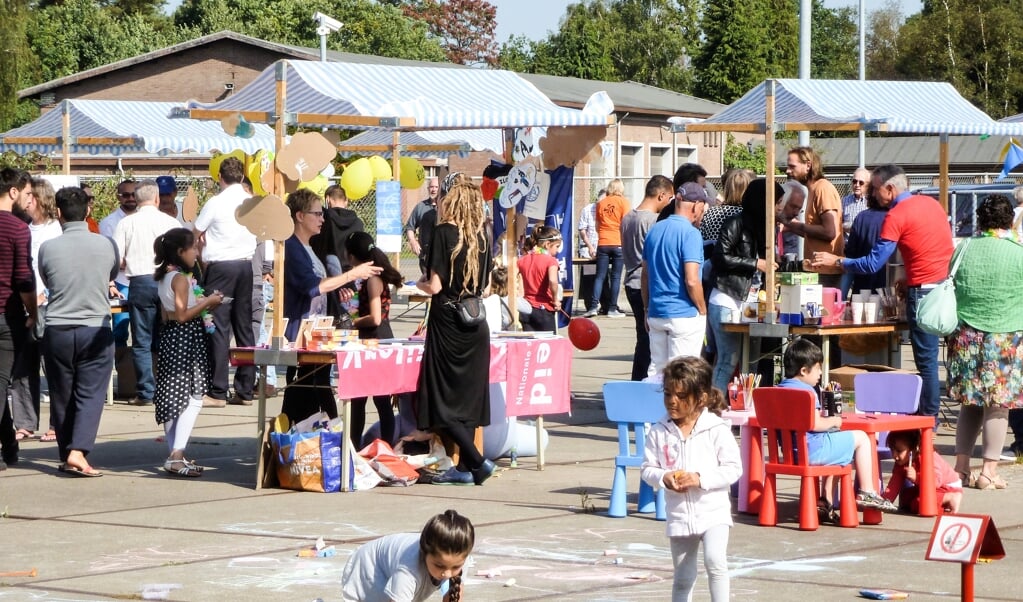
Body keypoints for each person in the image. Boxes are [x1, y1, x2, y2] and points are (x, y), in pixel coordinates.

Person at [811, 164, 954, 424]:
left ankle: (927, 421)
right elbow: (937, 248)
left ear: (890, 189)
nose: (871, 195)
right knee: (930, 360)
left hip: (922, 294)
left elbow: (871, 264)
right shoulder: (931, 205)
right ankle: (927, 418)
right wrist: (909, 276)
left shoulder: (896, 215)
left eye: (875, 189)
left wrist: (838, 261)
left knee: (926, 364)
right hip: (941, 289)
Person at [641, 356, 740, 602]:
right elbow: (647, 468)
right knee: (683, 576)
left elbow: (733, 469)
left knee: (715, 562)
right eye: (667, 394)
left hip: (713, 511)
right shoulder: (658, 430)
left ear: (701, 398)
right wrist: (664, 477)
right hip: (679, 516)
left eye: (681, 396)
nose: (672, 401)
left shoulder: (716, 428)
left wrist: (700, 478)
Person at [415, 182, 495, 486]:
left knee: (439, 400)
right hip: (474, 324)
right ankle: (464, 468)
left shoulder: (444, 232)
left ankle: (476, 461)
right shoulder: (482, 237)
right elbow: (485, 288)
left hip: (447, 322)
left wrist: (417, 285)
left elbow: (434, 287)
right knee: (468, 401)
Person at [280, 190, 381, 425]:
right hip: (301, 333)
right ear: (300, 216)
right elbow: (312, 287)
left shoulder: (308, 247)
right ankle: (324, 436)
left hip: (316, 332)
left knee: (318, 388)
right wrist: (351, 274)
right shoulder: (293, 248)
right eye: (317, 213)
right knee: (305, 393)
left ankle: (331, 435)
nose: (322, 218)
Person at [39, 186, 118, 477]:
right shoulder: (106, 244)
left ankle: (67, 452)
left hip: (57, 328)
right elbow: (110, 275)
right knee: (91, 394)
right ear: (88, 211)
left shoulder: (48, 248)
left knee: (62, 394)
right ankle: (78, 451)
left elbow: (46, 278)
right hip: (95, 327)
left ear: (58, 213)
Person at [945, 195, 1023, 491]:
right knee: (998, 406)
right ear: (1008, 220)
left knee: (970, 404)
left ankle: (962, 468)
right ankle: (989, 472)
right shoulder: (1018, 252)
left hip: (966, 336)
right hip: (1005, 338)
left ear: (980, 219)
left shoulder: (964, 248)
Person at [777, 338, 897, 513]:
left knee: (838, 446)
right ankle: (867, 491)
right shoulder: (807, 392)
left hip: (791, 454)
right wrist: (835, 420)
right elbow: (816, 423)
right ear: (804, 370)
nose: (820, 374)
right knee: (862, 438)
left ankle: (826, 500)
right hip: (814, 451)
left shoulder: (778, 390)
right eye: (818, 368)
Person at [152, 228, 223, 478]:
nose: (197, 251)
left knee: (174, 396)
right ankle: (176, 454)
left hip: (171, 336)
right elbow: (183, 315)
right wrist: (208, 302)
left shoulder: (164, 277)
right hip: (186, 337)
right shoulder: (180, 278)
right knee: (193, 395)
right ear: (181, 252)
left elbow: (167, 314)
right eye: (193, 247)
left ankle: (175, 454)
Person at [707, 179, 785, 392]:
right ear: (763, 201)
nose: (780, 206)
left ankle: (744, 411)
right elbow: (720, 258)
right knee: (727, 360)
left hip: (752, 303)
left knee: (752, 362)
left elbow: (772, 263)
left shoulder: (768, 227)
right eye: (777, 201)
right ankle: (712, 412)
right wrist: (755, 264)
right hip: (727, 299)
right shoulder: (735, 223)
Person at [193, 157, 257, 407]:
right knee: (244, 327)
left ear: (220, 177)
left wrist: (200, 250)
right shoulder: (250, 201)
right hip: (245, 265)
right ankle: (245, 389)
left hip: (221, 266)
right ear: (242, 177)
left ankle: (218, 390)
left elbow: (195, 231)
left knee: (218, 327)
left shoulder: (216, 202)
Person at [113, 180, 181, 407]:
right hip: (166, 281)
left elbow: (117, 259)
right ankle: (167, 388)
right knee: (165, 337)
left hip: (139, 282)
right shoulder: (170, 222)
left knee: (141, 340)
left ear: (137, 199)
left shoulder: (126, 223)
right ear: (157, 199)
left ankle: (146, 392)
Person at [11, 177, 62, 443]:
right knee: (22, 366)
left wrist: (47, 294)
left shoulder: (57, 231)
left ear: (40, 199)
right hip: (23, 304)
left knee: (52, 367)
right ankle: (25, 422)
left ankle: (57, 423)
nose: (26, 199)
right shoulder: (22, 229)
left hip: (49, 305)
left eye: (30, 195)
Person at [641, 182, 707, 376]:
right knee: (684, 374)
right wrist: (702, 309)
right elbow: (692, 280)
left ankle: (653, 406)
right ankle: (680, 407)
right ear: (696, 205)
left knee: (657, 371)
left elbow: (645, 275)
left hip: (656, 312)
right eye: (703, 206)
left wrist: (646, 308)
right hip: (684, 313)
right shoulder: (691, 234)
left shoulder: (655, 230)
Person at [345, 231, 403, 450]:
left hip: (375, 341)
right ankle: (360, 447)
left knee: (370, 399)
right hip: (379, 340)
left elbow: (376, 318)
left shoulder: (372, 280)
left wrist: (352, 323)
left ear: (352, 257)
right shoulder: (373, 278)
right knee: (374, 400)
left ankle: (378, 448)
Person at [341, 509, 474, 602]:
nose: (447, 574)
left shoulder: (460, 554)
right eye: (439, 565)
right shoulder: (408, 570)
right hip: (369, 568)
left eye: (455, 567)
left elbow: (454, 594)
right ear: (424, 551)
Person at [0, 168, 37, 472]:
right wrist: (33, 313)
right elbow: (23, 279)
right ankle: (6, 448)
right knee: (1, 383)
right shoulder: (16, 229)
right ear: (13, 192)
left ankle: (9, 445)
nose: (29, 200)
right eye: (26, 194)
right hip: (6, 315)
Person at [621, 175, 673, 380]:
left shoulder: (628, 217)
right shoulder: (652, 221)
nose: (670, 203)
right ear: (661, 195)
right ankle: (642, 381)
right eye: (669, 198)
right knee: (649, 340)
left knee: (642, 338)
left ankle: (638, 380)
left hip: (631, 280)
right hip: (645, 282)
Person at [783, 146, 844, 288]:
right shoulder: (812, 190)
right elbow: (812, 233)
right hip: (816, 270)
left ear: (808, 165)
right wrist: (787, 222)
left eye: (792, 166)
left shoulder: (823, 188)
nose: (788, 171)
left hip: (826, 271)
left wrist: (797, 225)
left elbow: (830, 232)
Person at [882, 430, 963, 514]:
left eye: (899, 451)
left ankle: (950, 498)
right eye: (892, 450)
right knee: (906, 498)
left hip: (947, 487)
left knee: (918, 504)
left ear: (914, 449)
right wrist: (884, 503)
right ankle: (940, 501)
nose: (894, 455)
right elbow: (894, 484)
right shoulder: (901, 462)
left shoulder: (928, 457)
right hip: (928, 486)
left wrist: (917, 478)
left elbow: (936, 482)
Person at [583, 179, 630, 319]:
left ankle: (593, 307)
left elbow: (597, 225)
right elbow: (626, 223)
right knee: (615, 277)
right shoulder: (624, 202)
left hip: (602, 242)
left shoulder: (601, 203)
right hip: (618, 242)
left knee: (600, 276)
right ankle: (612, 308)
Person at [100, 179, 136, 349]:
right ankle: (122, 370)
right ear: (118, 197)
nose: (131, 198)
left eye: (134, 194)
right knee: (120, 331)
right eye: (126, 195)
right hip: (121, 283)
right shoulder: (108, 223)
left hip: (144, 280)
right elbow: (110, 257)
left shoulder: (144, 218)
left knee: (144, 330)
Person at [516, 225, 562, 332]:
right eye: (557, 246)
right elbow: (552, 281)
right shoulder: (551, 261)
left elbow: (511, 277)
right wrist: (555, 299)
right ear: (547, 245)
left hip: (526, 308)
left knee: (530, 345)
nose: (558, 250)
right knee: (548, 344)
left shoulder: (522, 260)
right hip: (544, 309)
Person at [404, 176, 440, 276]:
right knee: (427, 281)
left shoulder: (446, 207)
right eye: (431, 187)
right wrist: (413, 241)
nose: (433, 190)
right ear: (428, 189)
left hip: (442, 255)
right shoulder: (420, 207)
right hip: (425, 255)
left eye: (436, 187)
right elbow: (410, 227)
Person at [841, 168, 872, 243]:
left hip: (865, 245)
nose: (857, 185)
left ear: (868, 185)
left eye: (861, 182)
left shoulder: (872, 202)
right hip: (848, 246)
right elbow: (838, 223)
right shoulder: (844, 201)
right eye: (854, 181)